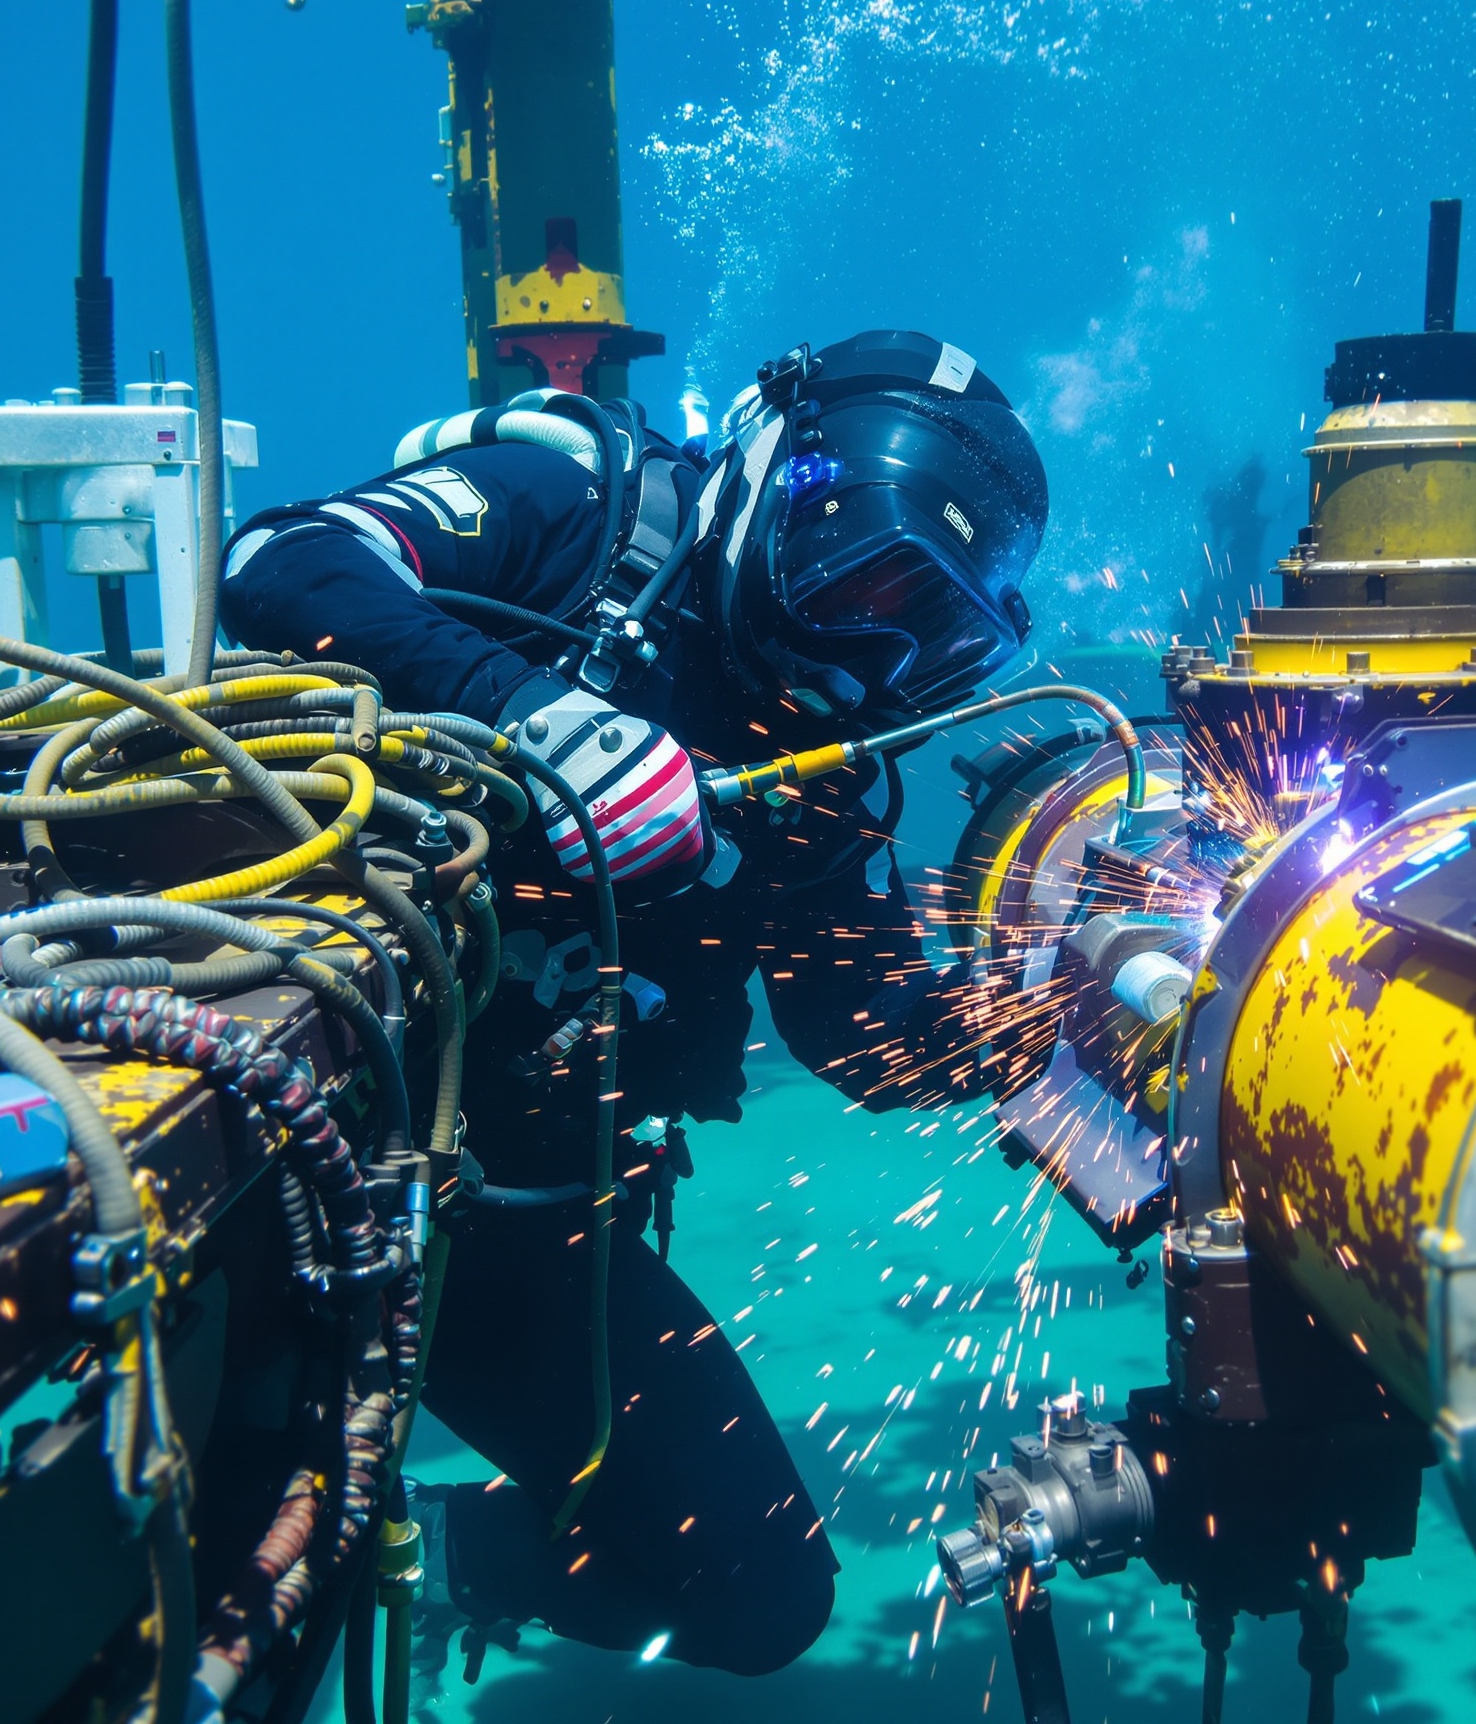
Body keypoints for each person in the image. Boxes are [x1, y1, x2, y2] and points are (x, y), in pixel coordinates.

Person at [219, 330, 1048, 1676]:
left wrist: (1041, 1013)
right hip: (307, 1172)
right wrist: (535, 715)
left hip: (519, 1232)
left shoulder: (819, 761)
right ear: (780, 479)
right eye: (860, 567)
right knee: (236, 1586)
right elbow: (276, 563)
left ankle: (445, 1550)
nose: (866, 644)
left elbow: (862, 1038)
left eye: (928, 626)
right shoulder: (576, 517)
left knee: (759, 1597)